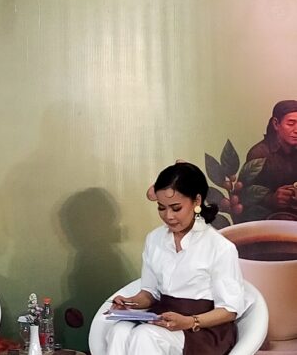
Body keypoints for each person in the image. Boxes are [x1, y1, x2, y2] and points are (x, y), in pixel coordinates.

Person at [106, 162, 246, 355]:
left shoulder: (220, 247)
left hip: (203, 328)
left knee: (145, 335)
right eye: (161, 208)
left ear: (196, 201)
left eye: (176, 208)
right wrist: (129, 303)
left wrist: (189, 321)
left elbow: (230, 310)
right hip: (164, 318)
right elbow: (149, 294)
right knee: (119, 331)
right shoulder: (154, 239)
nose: (168, 216)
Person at [245, 99, 297, 220]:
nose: (296, 130)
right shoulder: (259, 154)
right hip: (271, 219)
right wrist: (272, 199)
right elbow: (246, 195)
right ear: (276, 124)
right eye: (291, 123)